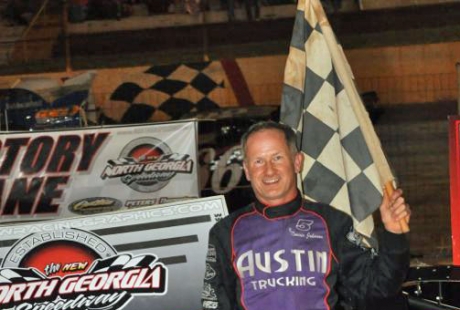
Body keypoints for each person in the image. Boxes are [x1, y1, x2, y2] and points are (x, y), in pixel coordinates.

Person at [201, 121, 411, 310]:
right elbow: (214, 304)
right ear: (246, 170)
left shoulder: (333, 223)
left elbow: (376, 290)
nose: (269, 171)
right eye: (258, 161)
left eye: (277, 157)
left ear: (297, 162)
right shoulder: (225, 232)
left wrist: (393, 234)